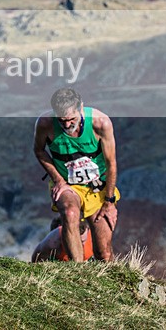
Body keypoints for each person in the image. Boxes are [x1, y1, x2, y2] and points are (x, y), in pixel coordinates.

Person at [33, 87, 120, 261]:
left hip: (97, 186)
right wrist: (58, 180)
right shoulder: (45, 123)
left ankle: (107, 282)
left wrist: (109, 202)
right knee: (70, 213)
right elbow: (39, 151)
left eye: (71, 119)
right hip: (68, 184)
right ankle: (78, 272)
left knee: (104, 253)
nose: (66, 125)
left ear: (81, 108)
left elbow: (111, 164)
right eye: (62, 120)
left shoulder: (101, 123)